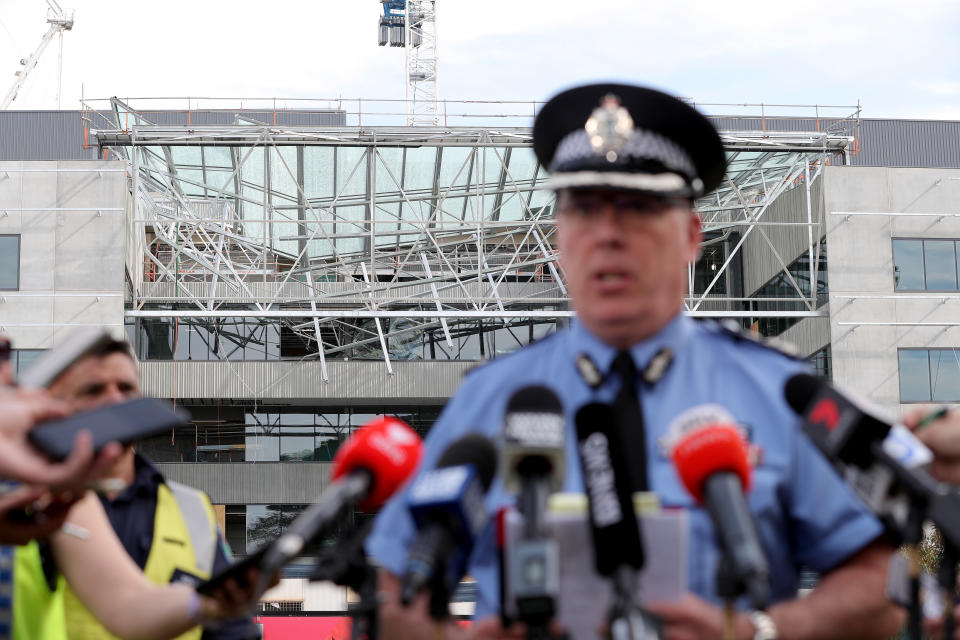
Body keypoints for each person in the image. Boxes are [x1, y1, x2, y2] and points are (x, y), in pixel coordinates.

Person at [366, 83, 905, 640]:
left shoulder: (777, 392)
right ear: (558, 237)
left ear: (693, 236)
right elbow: (392, 592)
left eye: (638, 209)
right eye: (584, 208)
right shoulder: (487, 402)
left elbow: (879, 585)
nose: (607, 235)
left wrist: (757, 631)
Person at [45, 337, 262, 640]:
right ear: (58, 407)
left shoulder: (192, 508)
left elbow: (231, 631)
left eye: (126, 389)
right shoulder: (37, 501)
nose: (115, 400)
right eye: (93, 390)